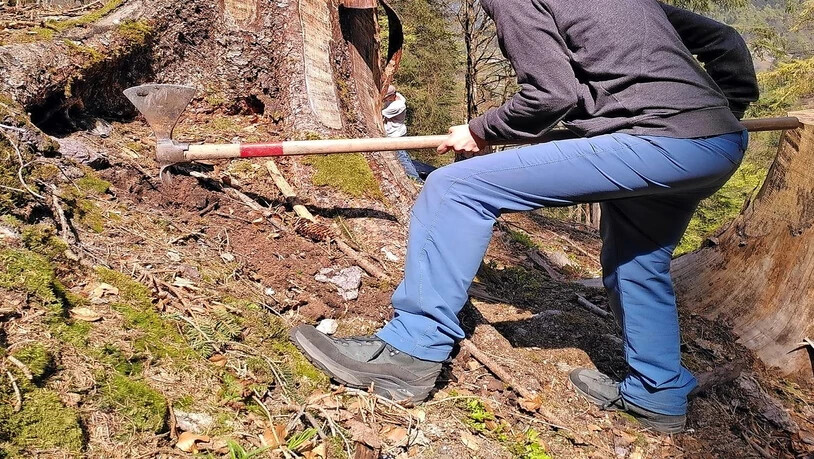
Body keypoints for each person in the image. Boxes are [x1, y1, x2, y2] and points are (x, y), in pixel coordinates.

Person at [291, 0, 759, 434]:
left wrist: (480, 130)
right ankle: (657, 392)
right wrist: (723, 111)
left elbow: (552, 93)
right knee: (638, 263)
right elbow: (725, 40)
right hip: (716, 145)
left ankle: (410, 349)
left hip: (655, 142)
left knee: (455, 187)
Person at [382, 85, 422, 181]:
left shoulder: (397, 106)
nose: (384, 99)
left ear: (392, 96)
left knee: (401, 157)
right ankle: (415, 176)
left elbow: (380, 113)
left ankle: (415, 179)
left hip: (395, 135)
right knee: (404, 156)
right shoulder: (396, 97)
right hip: (397, 132)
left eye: (386, 97)